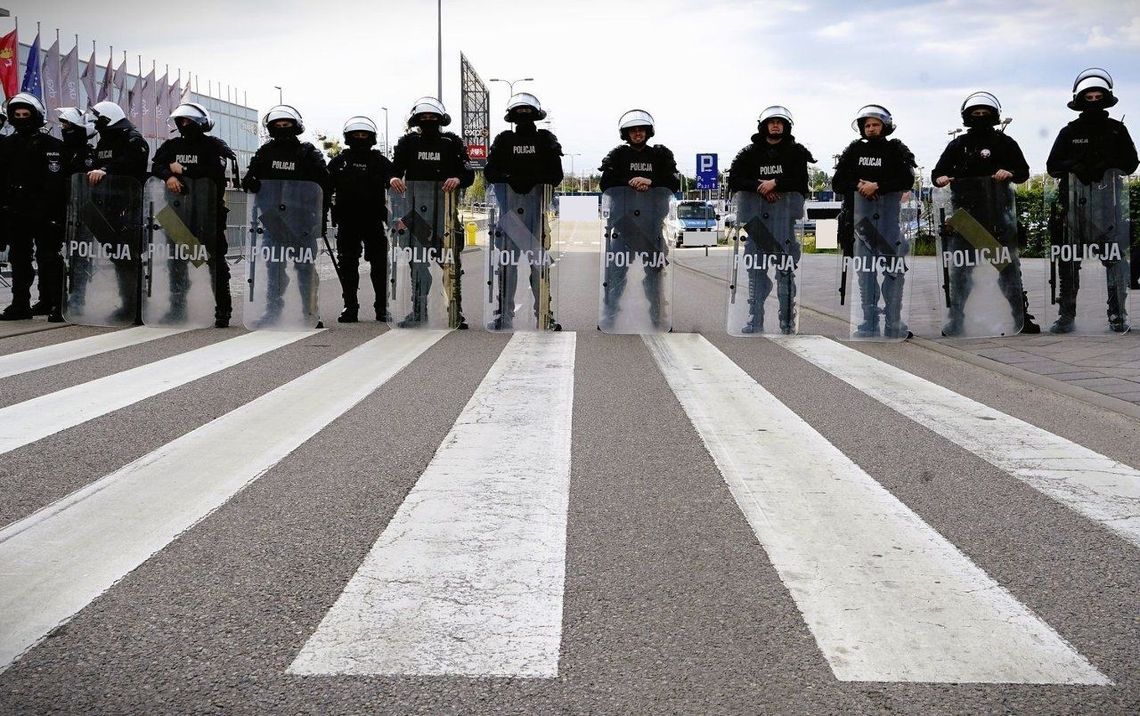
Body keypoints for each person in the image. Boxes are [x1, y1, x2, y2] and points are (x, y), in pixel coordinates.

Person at [932, 91, 1040, 336]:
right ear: (967, 117)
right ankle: (956, 319)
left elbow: (1023, 172)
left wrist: (1008, 171)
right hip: (966, 219)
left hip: (998, 216)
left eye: (985, 113)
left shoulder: (1005, 143)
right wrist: (939, 178)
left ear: (994, 115)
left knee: (1007, 270)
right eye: (976, 114)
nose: (980, 117)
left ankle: (1020, 318)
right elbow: (937, 173)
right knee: (961, 272)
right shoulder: (958, 144)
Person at [1046, 67, 1138, 333]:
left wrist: (1107, 164)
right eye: (1090, 97)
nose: (1094, 102)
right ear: (1080, 100)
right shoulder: (1068, 132)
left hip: (1107, 208)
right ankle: (1066, 315)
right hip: (1073, 210)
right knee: (1068, 264)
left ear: (1106, 98)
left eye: (1099, 97)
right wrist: (1076, 166)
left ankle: (1117, 313)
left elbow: (1131, 163)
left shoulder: (1117, 131)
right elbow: (1053, 165)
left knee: (1115, 262)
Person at [727, 105, 814, 334]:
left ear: (786, 126)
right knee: (756, 273)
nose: (775, 125)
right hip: (757, 225)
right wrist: (759, 187)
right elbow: (735, 179)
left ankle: (787, 322)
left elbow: (800, 182)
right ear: (764, 125)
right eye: (771, 122)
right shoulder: (749, 153)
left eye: (780, 122)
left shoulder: (795, 152)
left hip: (783, 223)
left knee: (785, 273)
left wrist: (775, 184)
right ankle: (755, 320)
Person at [389, 97, 474, 328]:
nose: (428, 120)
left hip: (444, 213)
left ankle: (455, 311)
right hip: (414, 214)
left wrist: (458, 178)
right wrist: (394, 177)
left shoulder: (452, 142)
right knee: (417, 265)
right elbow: (394, 169)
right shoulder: (407, 143)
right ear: (416, 120)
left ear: (440, 119)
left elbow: (468, 174)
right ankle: (418, 312)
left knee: (449, 263)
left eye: (432, 117)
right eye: (423, 117)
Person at [833, 104, 917, 338]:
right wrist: (859, 186)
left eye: (875, 124)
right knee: (865, 274)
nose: (871, 128)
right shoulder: (853, 151)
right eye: (867, 125)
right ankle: (868, 322)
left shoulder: (896, 150)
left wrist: (878, 186)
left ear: (885, 126)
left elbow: (906, 179)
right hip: (861, 225)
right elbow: (838, 182)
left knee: (894, 273)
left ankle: (893, 322)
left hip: (889, 223)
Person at [241, 104, 329, 327]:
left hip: (302, 221)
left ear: (295, 126)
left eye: (286, 124)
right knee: (275, 269)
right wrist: (249, 182)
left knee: (305, 269)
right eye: (277, 125)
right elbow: (250, 178)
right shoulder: (265, 152)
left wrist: (322, 218)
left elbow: (325, 184)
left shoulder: (308, 152)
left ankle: (310, 313)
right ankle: (273, 311)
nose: (282, 128)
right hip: (273, 221)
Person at [151, 102, 237, 327]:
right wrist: (168, 176)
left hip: (207, 214)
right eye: (181, 121)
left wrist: (185, 170)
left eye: (188, 121)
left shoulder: (213, 146)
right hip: (177, 213)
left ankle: (223, 311)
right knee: (176, 263)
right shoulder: (172, 146)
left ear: (200, 123)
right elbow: (155, 165)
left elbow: (216, 170)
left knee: (214, 263)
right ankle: (176, 307)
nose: (184, 125)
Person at [483, 92, 564, 329]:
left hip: (536, 215)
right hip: (509, 216)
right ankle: (503, 315)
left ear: (536, 115)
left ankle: (544, 317)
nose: (523, 117)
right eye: (519, 113)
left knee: (539, 267)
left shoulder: (545, 140)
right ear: (512, 116)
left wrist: (532, 179)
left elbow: (556, 175)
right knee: (506, 267)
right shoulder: (503, 141)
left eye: (527, 113)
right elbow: (490, 172)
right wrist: (511, 179)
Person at [598, 108, 680, 330]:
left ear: (648, 132)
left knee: (655, 277)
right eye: (633, 130)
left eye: (641, 129)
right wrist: (631, 181)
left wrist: (650, 181)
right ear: (626, 133)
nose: (637, 133)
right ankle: (609, 317)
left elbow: (673, 183)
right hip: (623, 227)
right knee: (615, 275)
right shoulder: (618, 156)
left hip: (652, 227)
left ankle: (658, 319)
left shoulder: (660, 156)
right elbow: (605, 183)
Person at [0, 94, 67, 322]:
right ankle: (20, 303)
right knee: (19, 258)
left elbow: (56, 183)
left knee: (49, 258)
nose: (21, 118)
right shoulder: (6, 145)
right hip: (15, 213)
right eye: (16, 115)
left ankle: (57, 304)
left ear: (36, 116)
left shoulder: (53, 146)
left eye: (25, 115)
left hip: (46, 214)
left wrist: (50, 213)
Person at [86, 100, 151, 322]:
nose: (96, 125)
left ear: (108, 119)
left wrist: (106, 169)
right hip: (108, 205)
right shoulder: (103, 141)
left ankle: (138, 306)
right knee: (119, 257)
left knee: (130, 256)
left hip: (131, 205)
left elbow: (132, 162)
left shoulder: (132, 139)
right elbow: (94, 163)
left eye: (99, 120)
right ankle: (127, 304)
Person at [327, 115, 394, 323]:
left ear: (371, 137)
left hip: (374, 220)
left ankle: (382, 307)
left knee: (380, 265)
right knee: (347, 265)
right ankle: (350, 306)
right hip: (347, 221)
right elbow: (324, 188)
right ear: (348, 137)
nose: (359, 137)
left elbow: (395, 183)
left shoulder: (380, 162)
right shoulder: (338, 162)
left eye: (363, 134)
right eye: (356, 134)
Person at [56, 107, 97, 315]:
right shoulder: (58, 150)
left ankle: (78, 297)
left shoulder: (89, 153)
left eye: (67, 125)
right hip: (58, 210)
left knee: (80, 256)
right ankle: (57, 299)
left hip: (83, 212)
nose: (63, 129)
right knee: (56, 255)